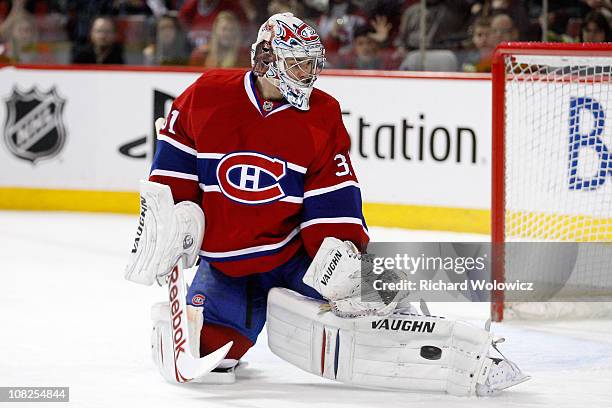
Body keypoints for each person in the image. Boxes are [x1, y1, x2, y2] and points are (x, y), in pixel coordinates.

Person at [125, 12, 528, 396]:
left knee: (372, 297)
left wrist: (345, 256)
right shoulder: (206, 95)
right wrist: (170, 225)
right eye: (298, 64)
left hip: (292, 256)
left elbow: (333, 197)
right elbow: (173, 174)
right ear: (267, 60)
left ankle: (436, 340)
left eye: (311, 64)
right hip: (227, 267)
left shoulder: (322, 113)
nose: (309, 75)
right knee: (207, 354)